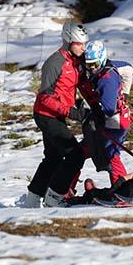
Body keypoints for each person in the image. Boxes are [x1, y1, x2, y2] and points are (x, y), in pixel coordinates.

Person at [26, 21, 88, 208]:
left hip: (56, 114)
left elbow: (71, 88)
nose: (83, 48)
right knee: (75, 155)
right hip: (46, 115)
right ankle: (54, 197)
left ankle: (32, 199)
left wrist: (81, 104)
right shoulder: (54, 63)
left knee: (53, 158)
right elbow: (45, 97)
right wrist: (71, 112)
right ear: (68, 41)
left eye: (85, 44)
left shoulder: (76, 61)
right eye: (79, 44)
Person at [78, 40, 133, 186]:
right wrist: (125, 92)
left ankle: (121, 188)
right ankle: (64, 189)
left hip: (115, 122)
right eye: (89, 65)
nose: (92, 68)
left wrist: (87, 108)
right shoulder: (109, 67)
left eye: (95, 64)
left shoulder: (106, 80)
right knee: (81, 152)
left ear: (102, 59)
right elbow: (128, 68)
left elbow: (108, 108)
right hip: (111, 119)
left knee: (111, 154)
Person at [67, 167, 133, 205]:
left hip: (109, 195)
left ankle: (74, 198)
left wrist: (125, 178)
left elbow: (112, 192)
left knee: (95, 194)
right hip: (131, 191)